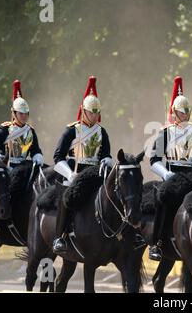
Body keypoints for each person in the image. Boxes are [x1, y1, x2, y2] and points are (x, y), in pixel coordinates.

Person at [148, 76, 192, 261]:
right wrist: (166, 174)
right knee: (163, 197)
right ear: (174, 112)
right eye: (182, 112)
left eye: (187, 112)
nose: (186, 115)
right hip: (172, 173)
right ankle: (155, 243)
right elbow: (154, 159)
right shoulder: (165, 132)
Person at [52, 76, 112, 254]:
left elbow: (106, 154)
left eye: (96, 113)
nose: (94, 116)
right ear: (83, 111)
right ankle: (59, 237)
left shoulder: (102, 132)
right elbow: (58, 156)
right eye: (91, 112)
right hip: (74, 174)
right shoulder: (72, 130)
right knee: (68, 196)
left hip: (95, 174)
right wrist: (70, 174)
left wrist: (106, 161)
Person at [0, 80, 44, 247]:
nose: (24, 116)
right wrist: (1, 159)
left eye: (26, 113)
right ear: (14, 113)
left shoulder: (30, 131)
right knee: (3, 196)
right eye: (21, 113)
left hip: (24, 169)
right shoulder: (4, 129)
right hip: (7, 169)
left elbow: (36, 150)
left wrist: (38, 155)